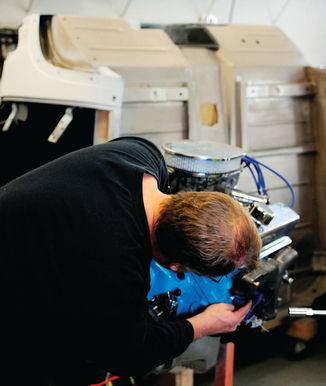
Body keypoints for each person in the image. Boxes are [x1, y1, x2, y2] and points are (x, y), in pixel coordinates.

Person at [0, 136, 262, 385]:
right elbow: (129, 355)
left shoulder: (143, 154)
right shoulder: (118, 261)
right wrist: (203, 324)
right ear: (176, 267)